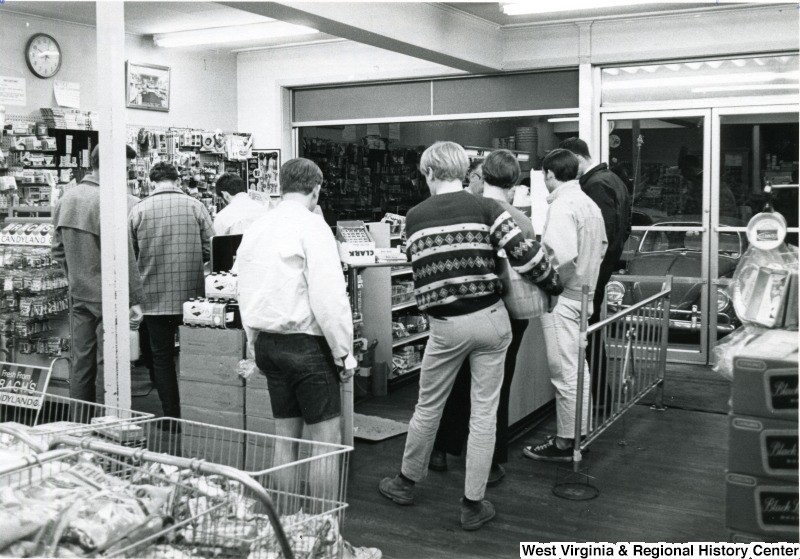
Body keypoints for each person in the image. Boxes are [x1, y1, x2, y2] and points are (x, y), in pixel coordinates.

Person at [378, 141, 562, 531]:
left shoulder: (413, 217)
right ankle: (472, 503)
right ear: (465, 172)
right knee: (483, 413)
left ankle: (406, 482)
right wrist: (554, 285)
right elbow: (527, 257)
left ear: (429, 173)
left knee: (428, 406)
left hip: (444, 329)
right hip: (491, 322)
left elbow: (420, 268)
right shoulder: (489, 209)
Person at [428, 149, 534, 487]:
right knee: (493, 392)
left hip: (465, 308)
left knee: (457, 381)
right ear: (515, 182)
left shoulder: (465, 212)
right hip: (508, 313)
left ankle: (441, 450)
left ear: (480, 176)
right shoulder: (521, 220)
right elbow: (530, 267)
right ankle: (489, 463)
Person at [523, 149, 607, 461]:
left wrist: (551, 286)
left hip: (565, 298)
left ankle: (565, 443)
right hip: (585, 294)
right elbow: (601, 248)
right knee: (577, 369)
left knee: (564, 373)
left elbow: (561, 256)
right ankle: (579, 434)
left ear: (548, 174)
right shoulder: (589, 204)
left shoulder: (561, 205)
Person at [52, 145, 144, 405]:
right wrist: (134, 298)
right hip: (109, 296)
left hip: (79, 293)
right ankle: (109, 425)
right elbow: (124, 256)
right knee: (111, 362)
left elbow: (57, 250)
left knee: (81, 361)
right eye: (125, 169)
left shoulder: (65, 199)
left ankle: (78, 424)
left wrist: (76, 276)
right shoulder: (109, 202)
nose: (126, 175)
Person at [129, 162, 214, 418]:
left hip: (153, 298)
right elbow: (213, 247)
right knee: (194, 354)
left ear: (152, 181)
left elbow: (130, 256)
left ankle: (170, 416)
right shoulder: (196, 207)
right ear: (178, 180)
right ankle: (199, 415)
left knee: (162, 358)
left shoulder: (138, 210)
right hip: (192, 297)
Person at [559, 137, 630, 406]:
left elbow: (602, 233)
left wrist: (591, 269)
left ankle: (597, 397)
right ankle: (599, 396)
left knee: (585, 336)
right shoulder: (614, 180)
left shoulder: (595, 185)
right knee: (590, 332)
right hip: (604, 268)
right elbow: (624, 229)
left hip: (593, 273)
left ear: (577, 159)